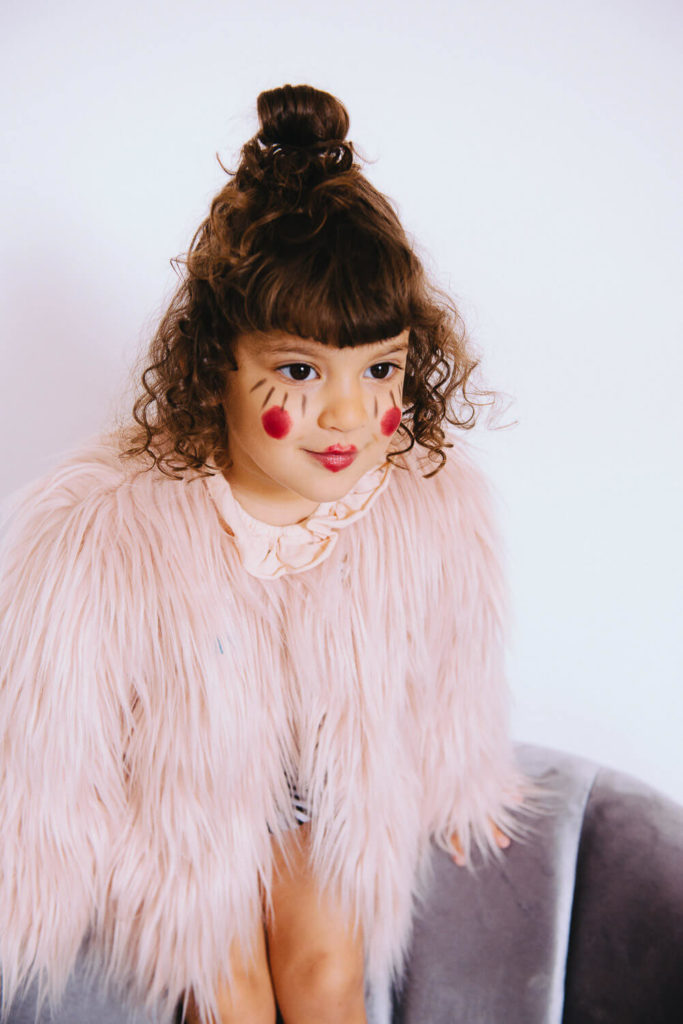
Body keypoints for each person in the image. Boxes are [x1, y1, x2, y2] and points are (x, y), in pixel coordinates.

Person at [0, 85, 526, 1024]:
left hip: (320, 798)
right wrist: (46, 862)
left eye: (380, 369)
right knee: (222, 980)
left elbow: (454, 660)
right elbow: (50, 730)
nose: (345, 417)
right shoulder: (105, 533)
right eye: (297, 371)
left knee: (327, 971)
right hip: (178, 802)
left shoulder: (428, 505)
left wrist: (462, 774)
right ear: (215, 367)